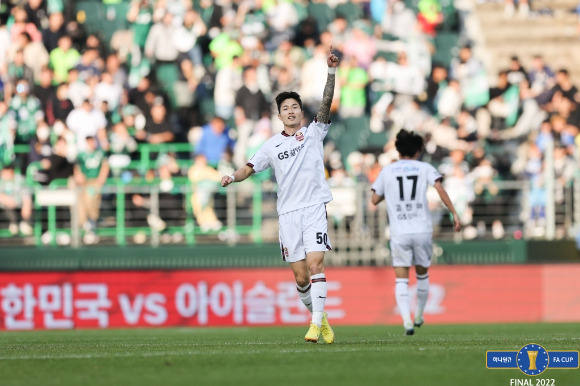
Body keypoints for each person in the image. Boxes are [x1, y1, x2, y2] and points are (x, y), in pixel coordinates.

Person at [221, 47, 339, 344]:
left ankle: (314, 325)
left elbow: (326, 102)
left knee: (316, 266)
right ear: (279, 115)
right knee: (301, 278)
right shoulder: (271, 146)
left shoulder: (314, 132)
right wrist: (232, 177)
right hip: (288, 214)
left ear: (301, 111)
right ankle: (320, 317)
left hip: (313, 206)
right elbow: (249, 167)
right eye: (285, 108)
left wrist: (331, 73)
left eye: (295, 107)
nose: (291, 111)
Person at [370, 129, 462, 335]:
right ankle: (420, 313)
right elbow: (439, 188)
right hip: (421, 229)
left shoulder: (387, 171)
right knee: (422, 275)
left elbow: (374, 199)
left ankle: (406, 321)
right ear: (419, 150)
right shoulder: (424, 167)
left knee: (401, 278)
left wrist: (390, 194)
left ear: (398, 149)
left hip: (399, 231)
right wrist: (454, 212)